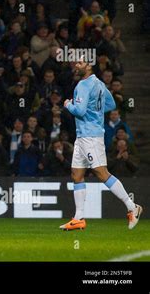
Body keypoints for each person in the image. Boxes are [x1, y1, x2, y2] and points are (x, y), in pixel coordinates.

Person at [60, 60, 142, 231]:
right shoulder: (99, 84)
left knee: (101, 173)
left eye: (80, 63)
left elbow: (80, 111)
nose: (76, 66)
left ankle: (132, 206)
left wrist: (68, 105)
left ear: (89, 66)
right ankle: (78, 218)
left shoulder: (82, 85)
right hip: (84, 136)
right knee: (76, 174)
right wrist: (95, 112)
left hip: (90, 136)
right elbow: (111, 104)